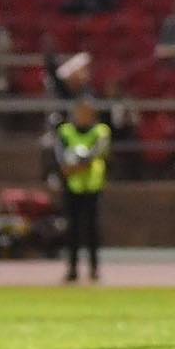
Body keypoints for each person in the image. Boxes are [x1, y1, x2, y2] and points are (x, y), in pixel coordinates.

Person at [55, 98, 111, 282]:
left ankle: (94, 269)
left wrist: (81, 163)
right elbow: (60, 154)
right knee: (72, 229)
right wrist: (68, 166)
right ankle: (72, 269)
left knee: (92, 229)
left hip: (92, 187)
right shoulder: (65, 131)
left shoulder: (100, 131)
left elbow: (99, 152)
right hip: (72, 186)